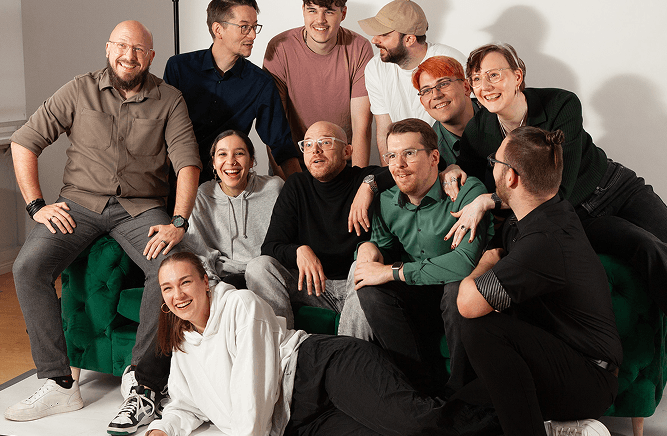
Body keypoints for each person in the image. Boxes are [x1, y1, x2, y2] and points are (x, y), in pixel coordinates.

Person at [449, 43, 667, 409]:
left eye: (494, 74)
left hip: (614, 187)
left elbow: (561, 185)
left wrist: (489, 200)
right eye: (476, 78)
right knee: (652, 248)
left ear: (517, 77)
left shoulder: (560, 104)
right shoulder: (480, 130)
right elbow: (467, 164)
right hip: (579, 217)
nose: (485, 85)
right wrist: (453, 170)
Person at [129, 252, 602, 436]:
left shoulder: (242, 307)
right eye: (168, 290)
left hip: (321, 367)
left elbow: (255, 378)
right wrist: (164, 428)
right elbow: (187, 401)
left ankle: (544, 427)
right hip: (301, 423)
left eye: (185, 282)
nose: (177, 295)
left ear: (206, 283)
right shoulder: (182, 342)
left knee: (418, 421)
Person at [4, 21, 201, 435]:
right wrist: (36, 205)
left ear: (150, 56)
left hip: (141, 208)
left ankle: (144, 383)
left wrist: (178, 221)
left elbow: (187, 163)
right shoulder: (79, 89)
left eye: (139, 49)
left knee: (165, 267)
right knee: (27, 267)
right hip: (80, 204)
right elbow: (25, 141)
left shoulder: (170, 99)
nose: (129, 55)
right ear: (108, 48)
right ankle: (58, 382)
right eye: (121, 46)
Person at [458, 126, 622, 436]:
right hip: (575, 365)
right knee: (467, 410)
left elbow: (469, 305)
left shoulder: (542, 242)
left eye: (494, 163)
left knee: (478, 324)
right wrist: (486, 201)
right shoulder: (551, 210)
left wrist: (486, 262)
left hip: (586, 379)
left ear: (511, 176)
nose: (492, 169)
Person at [354, 118, 492, 394]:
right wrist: (368, 249)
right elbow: (383, 245)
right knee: (371, 291)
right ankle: (419, 390)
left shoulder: (466, 191)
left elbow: (464, 262)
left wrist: (393, 271)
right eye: (392, 155)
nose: (398, 164)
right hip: (418, 296)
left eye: (409, 153)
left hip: (460, 298)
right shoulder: (385, 200)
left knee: (457, 290)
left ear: (434, 157)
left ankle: (462, 393)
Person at [244, 121, 391, 338]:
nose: (316, 150)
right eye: (309, 144)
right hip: (314, 287)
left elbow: (404, 169)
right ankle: (283, 351)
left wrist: (369, 185)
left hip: (356, 286)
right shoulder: (296, 185)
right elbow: (271, 247)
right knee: (258, 267)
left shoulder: (362, 179)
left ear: (347, 151)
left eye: (325, 142)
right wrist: (298, 251)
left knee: (365, 261)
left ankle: (349, 359)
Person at [164, 0, 301, 184]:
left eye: (254, 27)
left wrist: (303, 192)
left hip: (228, 183)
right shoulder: (179, 67)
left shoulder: (260, 82)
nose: (252, 35)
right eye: (245, 27)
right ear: (218, 29)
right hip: (179, 179)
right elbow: (163, 130)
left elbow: (280, 142)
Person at [263, 0, 374, 167]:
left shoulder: (360, 48)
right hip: (294, 159)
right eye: (312, 10)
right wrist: (292, 183)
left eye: (329, 12)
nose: (320, 20)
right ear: (303, 10)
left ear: (343, 13)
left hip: (342, 160)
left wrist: (358, 181)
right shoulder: (279, 47)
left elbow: (361, 127)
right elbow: (274, 124)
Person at [181, 130, 288, 322]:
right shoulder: (202, 196)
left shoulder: (274, 188)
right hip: (226, 278)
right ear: (213, 162)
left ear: (252, 160)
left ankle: (278, 343)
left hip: (267, 274)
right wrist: (213, 288)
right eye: (222, 154)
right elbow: (199, 252)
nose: (231, 161)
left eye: (239, 153)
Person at [358, 0, 465, 163]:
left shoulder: (450, 60)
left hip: (453, 159)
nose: (374, 40)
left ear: (409, 39)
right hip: (406, 160)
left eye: (384, 35)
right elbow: (384, 130)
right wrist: (391, 176)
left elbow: (471, 122)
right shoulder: (375, 68)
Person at [412, 55, 479, 170]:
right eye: (426, 90)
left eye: (443, 84)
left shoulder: (500, 116)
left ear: (466, 87)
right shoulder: (429, 151)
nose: (436, 95)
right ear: (422, 103)